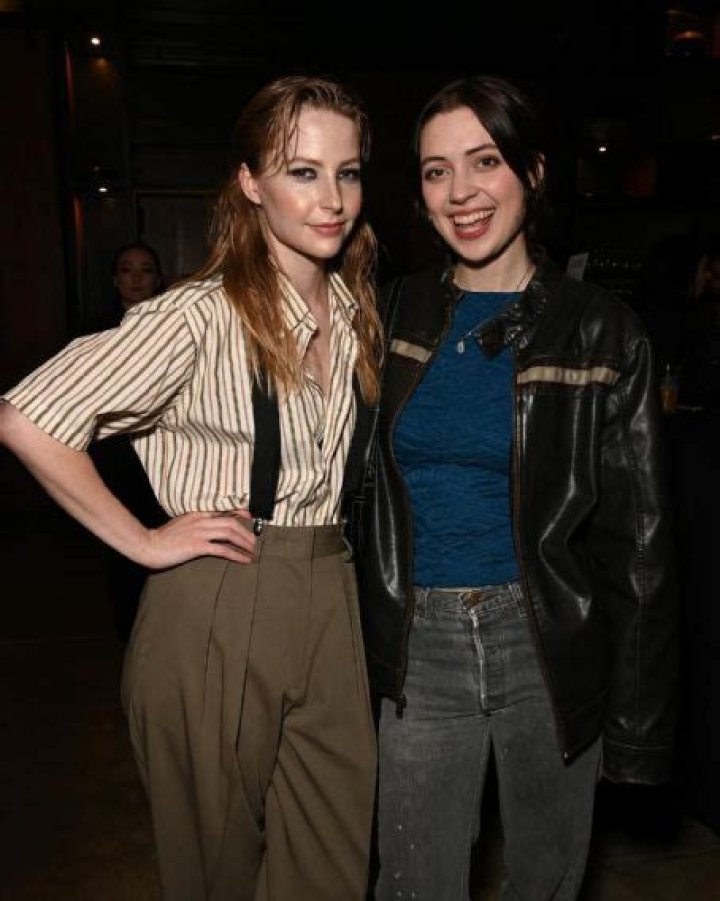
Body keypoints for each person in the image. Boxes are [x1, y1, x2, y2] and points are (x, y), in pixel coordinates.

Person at [0, 74, 382, 901]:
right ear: (251, 182)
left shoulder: (355, 312)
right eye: (302, 171)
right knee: (215, 872)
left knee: (333, 859)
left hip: (332, 589)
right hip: (218, 596)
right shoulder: (198, 315)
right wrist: (142, 539)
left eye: (347, 172)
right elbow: (25, 417)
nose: (331, 199)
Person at [354, 75, 677, 901]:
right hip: (419, 639)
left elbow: (640, 549)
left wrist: (637, 727)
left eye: (485, 160)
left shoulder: (603, 328)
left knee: (544, 883)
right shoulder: (389, 314)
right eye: (436, 171)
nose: (460, 192)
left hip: (550, 642)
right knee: (413, 884)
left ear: (532, 172)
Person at [87, 240, 169, 642]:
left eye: (145, 270)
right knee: (123, 550)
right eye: (126, 270)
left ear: (158, 278)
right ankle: (131, 636)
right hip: (115, 456)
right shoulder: (93, 333)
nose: (136, 279)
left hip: (167, 456)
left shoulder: (175, 326)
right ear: (114, 280)